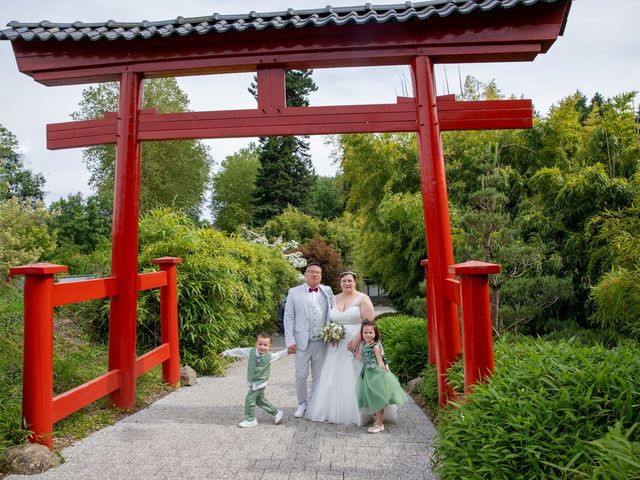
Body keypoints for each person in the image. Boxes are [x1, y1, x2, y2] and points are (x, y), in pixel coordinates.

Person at [305, 270, 375, 425]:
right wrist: (330, 335)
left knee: (355, 374)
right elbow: (330, 320)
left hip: (357, 341)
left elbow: (370, 323)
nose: (346, 284)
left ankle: (362, 412)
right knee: (334, 376)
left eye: (349, 281)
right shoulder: (334, 299)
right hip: (337, 344)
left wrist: (358, 339)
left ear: (355, 282)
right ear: (340, 283)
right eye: (344, 281)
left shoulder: (362, 298)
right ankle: (334, 411)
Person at [284, 262, 335, 418]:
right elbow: (288, 317)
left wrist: (333, 334)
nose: (315, 274)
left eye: (318, 272)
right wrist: (290, 341)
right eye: (311, 272)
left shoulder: (327, 291)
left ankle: (315, 404)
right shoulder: (293, 292)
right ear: (305, 275)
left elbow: (333, 313)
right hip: (301, 342)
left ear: (321, 276)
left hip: (321, 341)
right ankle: (301, 403)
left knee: (319, 376)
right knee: (300, 375)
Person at [220, 333, 287, 428]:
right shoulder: (251, 351)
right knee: (259, 400)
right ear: (256, 344)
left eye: (265, 345)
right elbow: (240, 351)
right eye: (260, 344)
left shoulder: (270, 356)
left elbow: (280, 354)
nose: (262, 347)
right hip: (252, 381)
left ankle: (251, 419)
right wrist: (227, 352)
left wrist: (289, 350)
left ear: (269, 346)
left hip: (260, 383)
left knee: (250, 399)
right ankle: (276, 413)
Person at [356, 319, 408, 433]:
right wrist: (356, 354)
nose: (368, 335)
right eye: (365, 332)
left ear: (375, 334)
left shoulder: (375, 346)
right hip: (367, 374)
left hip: (375, 374)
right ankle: (376, 420)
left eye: (370, 332)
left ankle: (379, 424)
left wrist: (383, 368)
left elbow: (380, 361)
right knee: (371, 398)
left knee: (377, 400)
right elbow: (364, 360)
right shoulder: (365, 345)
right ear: (361, 334)